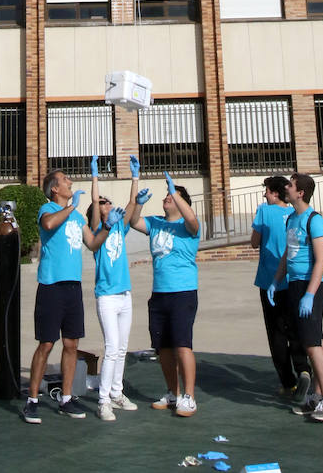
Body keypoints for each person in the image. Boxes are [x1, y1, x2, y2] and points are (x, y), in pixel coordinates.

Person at [22, 167, 109, 424]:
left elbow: (92, 243)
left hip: (72, 287)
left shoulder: (78, 217)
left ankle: (66, 399)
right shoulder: (47, 209)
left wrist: (107, 226)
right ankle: (32, 400)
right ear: (55, 189)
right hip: (51, 287)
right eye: (64, 180)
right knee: (47, 344)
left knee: (72, 344)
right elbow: (48, 225)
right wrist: (72, 208)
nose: (70, 181)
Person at [268, 171, 323, 422]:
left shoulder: (315, 220)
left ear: (300, 193)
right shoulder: (292, 219)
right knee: (314, 338)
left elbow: (320, 261)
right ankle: (318, 396)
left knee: (311, 343)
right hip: (294, 284)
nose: (286, 187)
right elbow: (288, 254)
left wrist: (310, 294)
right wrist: (276, 280)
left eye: (290, 184)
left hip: (312, 286)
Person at [130, 170, 201, 417]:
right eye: (167, 195)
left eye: (172, 196)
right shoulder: (156, 223)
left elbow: (192, 219)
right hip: (159, 293)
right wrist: (138, 204)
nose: (167, 198)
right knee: (164, 348)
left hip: (183, 292)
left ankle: (189, 396)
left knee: (183, 345)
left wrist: (176, 192)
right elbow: (133, 222)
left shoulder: (188, 227)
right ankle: (173, 392)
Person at [87, 151, 152, 421]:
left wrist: (136, 176)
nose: (107, 203)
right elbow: (93, 201)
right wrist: (94, 175)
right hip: (107, 296)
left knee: (122, 347)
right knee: (111, 347)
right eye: (103, 202)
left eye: (107, 201)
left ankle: (116, 392)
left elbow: (132, 204)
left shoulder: (118, 229)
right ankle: (103, 401)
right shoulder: (96, 232)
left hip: (124, 295)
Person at [251, 174, 309, 398]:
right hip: (293, 279)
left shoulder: (264, 212)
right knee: (294, 328)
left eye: (266, 190)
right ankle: (303, 368)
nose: (264, 194)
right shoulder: (294, 214)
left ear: (274, 193)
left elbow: (255, 242)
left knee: (276, 333)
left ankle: (288, 382)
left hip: (269, 281)